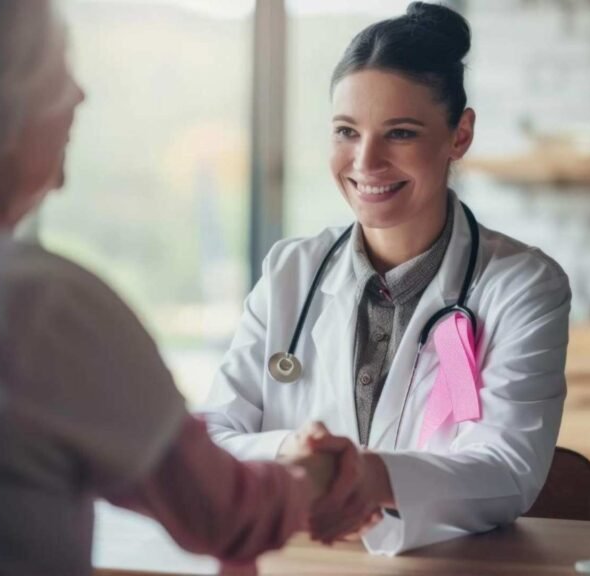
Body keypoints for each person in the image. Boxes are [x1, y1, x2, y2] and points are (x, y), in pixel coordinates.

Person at [0, 1, 334, 574]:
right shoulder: (39, 305)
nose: (80, 96)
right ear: (2, 100)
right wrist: (315, 478)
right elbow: (224, 512)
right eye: (59, 68)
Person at [201, 1, 571, 555]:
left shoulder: (523, 286)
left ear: (459, 135)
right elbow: (214, 436)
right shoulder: (289, 272)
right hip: (300, 564)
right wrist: (300, 456)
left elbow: (506, 471)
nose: (365, 161)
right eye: (347, 131)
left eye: (399, 133)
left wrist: (363, 475)